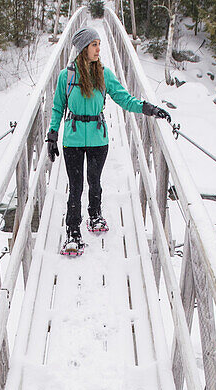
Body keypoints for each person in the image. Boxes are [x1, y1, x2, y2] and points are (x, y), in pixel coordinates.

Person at [46, 27, 172, 254]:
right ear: (83, 48)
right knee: (75, 188)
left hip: (98, 138)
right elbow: (57, 108)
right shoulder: (67, 77)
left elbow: (123, 98)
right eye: (94, 44)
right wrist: (52, 135)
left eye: (99, 44)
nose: (98, 49)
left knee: (94, 180)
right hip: (73, 140)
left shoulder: (104, 74)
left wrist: (148, 108)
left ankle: (95, 215)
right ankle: (72, 232)